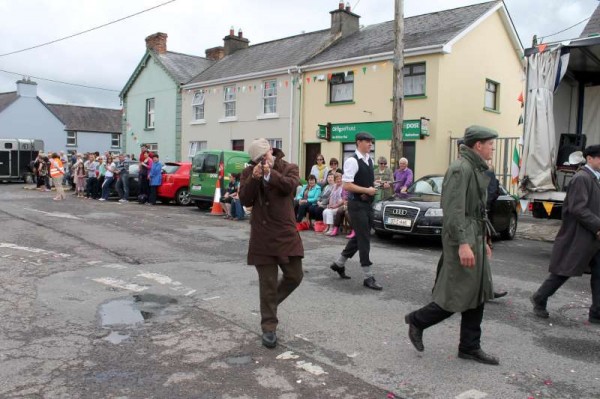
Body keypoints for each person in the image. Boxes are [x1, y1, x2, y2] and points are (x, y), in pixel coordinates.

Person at [404, 126, 500, 366]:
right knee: (458, 293)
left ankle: (469, 347)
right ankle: (418, 320)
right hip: (463, 238)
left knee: (477, 294)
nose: (493, 148)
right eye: (490, 144)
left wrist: (484, 239)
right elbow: (454, 211)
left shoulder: (474, 168)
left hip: (473, 236)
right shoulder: (460, 169)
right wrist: (463, 244)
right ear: (478, 145)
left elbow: (477, 210)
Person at [239, 138, 304, 349]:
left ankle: (269, 305)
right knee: (267, 283)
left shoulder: (289, 167)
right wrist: (255, 179)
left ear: (272, 152)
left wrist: (269, 174)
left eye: (265, 156)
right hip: (262, 235)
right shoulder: (249, 173)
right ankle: (269, 327)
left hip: (285, 232)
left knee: (295, 276)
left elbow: (289, 187)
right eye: (258, 160)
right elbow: (245, 200)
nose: (263, 161)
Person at [530, 144, 600, 324]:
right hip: (580, 235)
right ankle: (540, 297)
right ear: (589, 158)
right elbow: (578, 208)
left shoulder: (595, 178)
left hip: (594, 236)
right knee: (564, 271)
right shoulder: (581, 178)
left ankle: (596, 313)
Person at [329, 132, 382, 290]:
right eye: (367, 141)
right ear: (358, 142)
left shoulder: (369, 159)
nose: (370, 144)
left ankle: (339, 264)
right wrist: (367, 189)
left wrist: (377, 184)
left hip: (366, 204)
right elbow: (346, 185)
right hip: (356, 205)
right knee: (364, 238)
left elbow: (366, 182)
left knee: (361, 235)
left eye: (371, 142)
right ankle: (368, 275)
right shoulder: (352, 161)